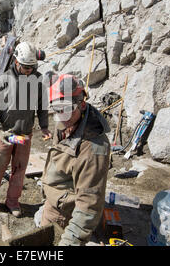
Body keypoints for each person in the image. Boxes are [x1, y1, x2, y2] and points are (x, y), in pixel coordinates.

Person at [0, 42, 52, 217]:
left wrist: (44, 127)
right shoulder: (2, 80)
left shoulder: (38, 81)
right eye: (25, 67)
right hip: (5, 135)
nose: (29, 70)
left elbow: (42, 107)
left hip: (23, 135)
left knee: (19, 171)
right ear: (16, 62)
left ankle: (12, 202)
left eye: (32, 67)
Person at [40, 74, 111, 246]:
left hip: (65, 214)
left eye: (66, 108)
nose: (61, 115)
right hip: (55, 202)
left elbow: (88, 206)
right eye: (56, 109)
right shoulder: (66, 121)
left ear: (82, 105)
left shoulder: (93, 150)